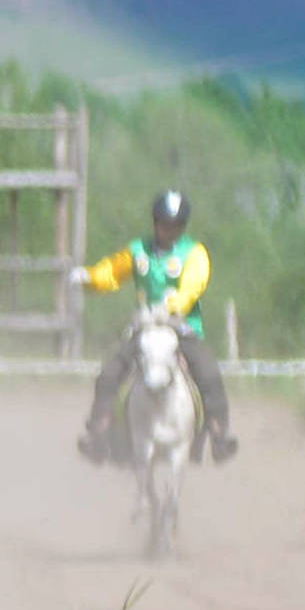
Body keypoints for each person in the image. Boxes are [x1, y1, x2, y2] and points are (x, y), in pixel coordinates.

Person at [77, 188, 234, 462]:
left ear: (183, 227)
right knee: (110, 373)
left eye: (175, 226)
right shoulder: (139, 252)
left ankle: (219, 435)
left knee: (209, 374)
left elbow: (194, 284)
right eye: (164, 224)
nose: (169, 231)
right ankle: (98, 433)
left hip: (181, 327)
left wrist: (176, 304)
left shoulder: (194, 253)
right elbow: (113, 272)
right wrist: (89, 278)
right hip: (146, 327)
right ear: (155, 223)